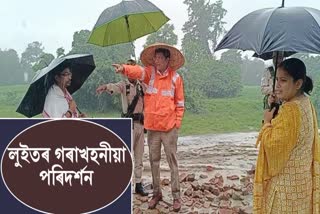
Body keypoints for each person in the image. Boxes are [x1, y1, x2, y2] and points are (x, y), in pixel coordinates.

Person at [112, 43, 185, 212]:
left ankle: (176, 196)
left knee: (172, 162)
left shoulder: (176, 78)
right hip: (152, 128)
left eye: (160, 58)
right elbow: (137, 71)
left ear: (168, 60)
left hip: (169, 129)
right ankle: (157, 193)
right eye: (155, 58)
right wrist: (124, 68)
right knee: (154, 162)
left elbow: (180, 103)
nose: (156, 61)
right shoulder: (149, 74)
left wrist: (177, 124)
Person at [254, 58, 320, 213]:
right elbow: (291, 135)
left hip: (285, 189)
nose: (277, 85)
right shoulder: (305, 102)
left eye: (283, 80)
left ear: (298, 84)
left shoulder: (289, 111)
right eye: (276, 79)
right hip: (303, 185)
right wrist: (277, 104)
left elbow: (272, 147)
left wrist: (267, 122)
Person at [96, 59, 148, 196]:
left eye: (133, 69)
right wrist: (105, 87)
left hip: (141, 125)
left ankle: (138, 184)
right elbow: (114, 86)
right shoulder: (124, 85)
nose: (131, 72)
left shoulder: (141, 86)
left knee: (139, 157)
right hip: (129, 125)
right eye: (129, 69)